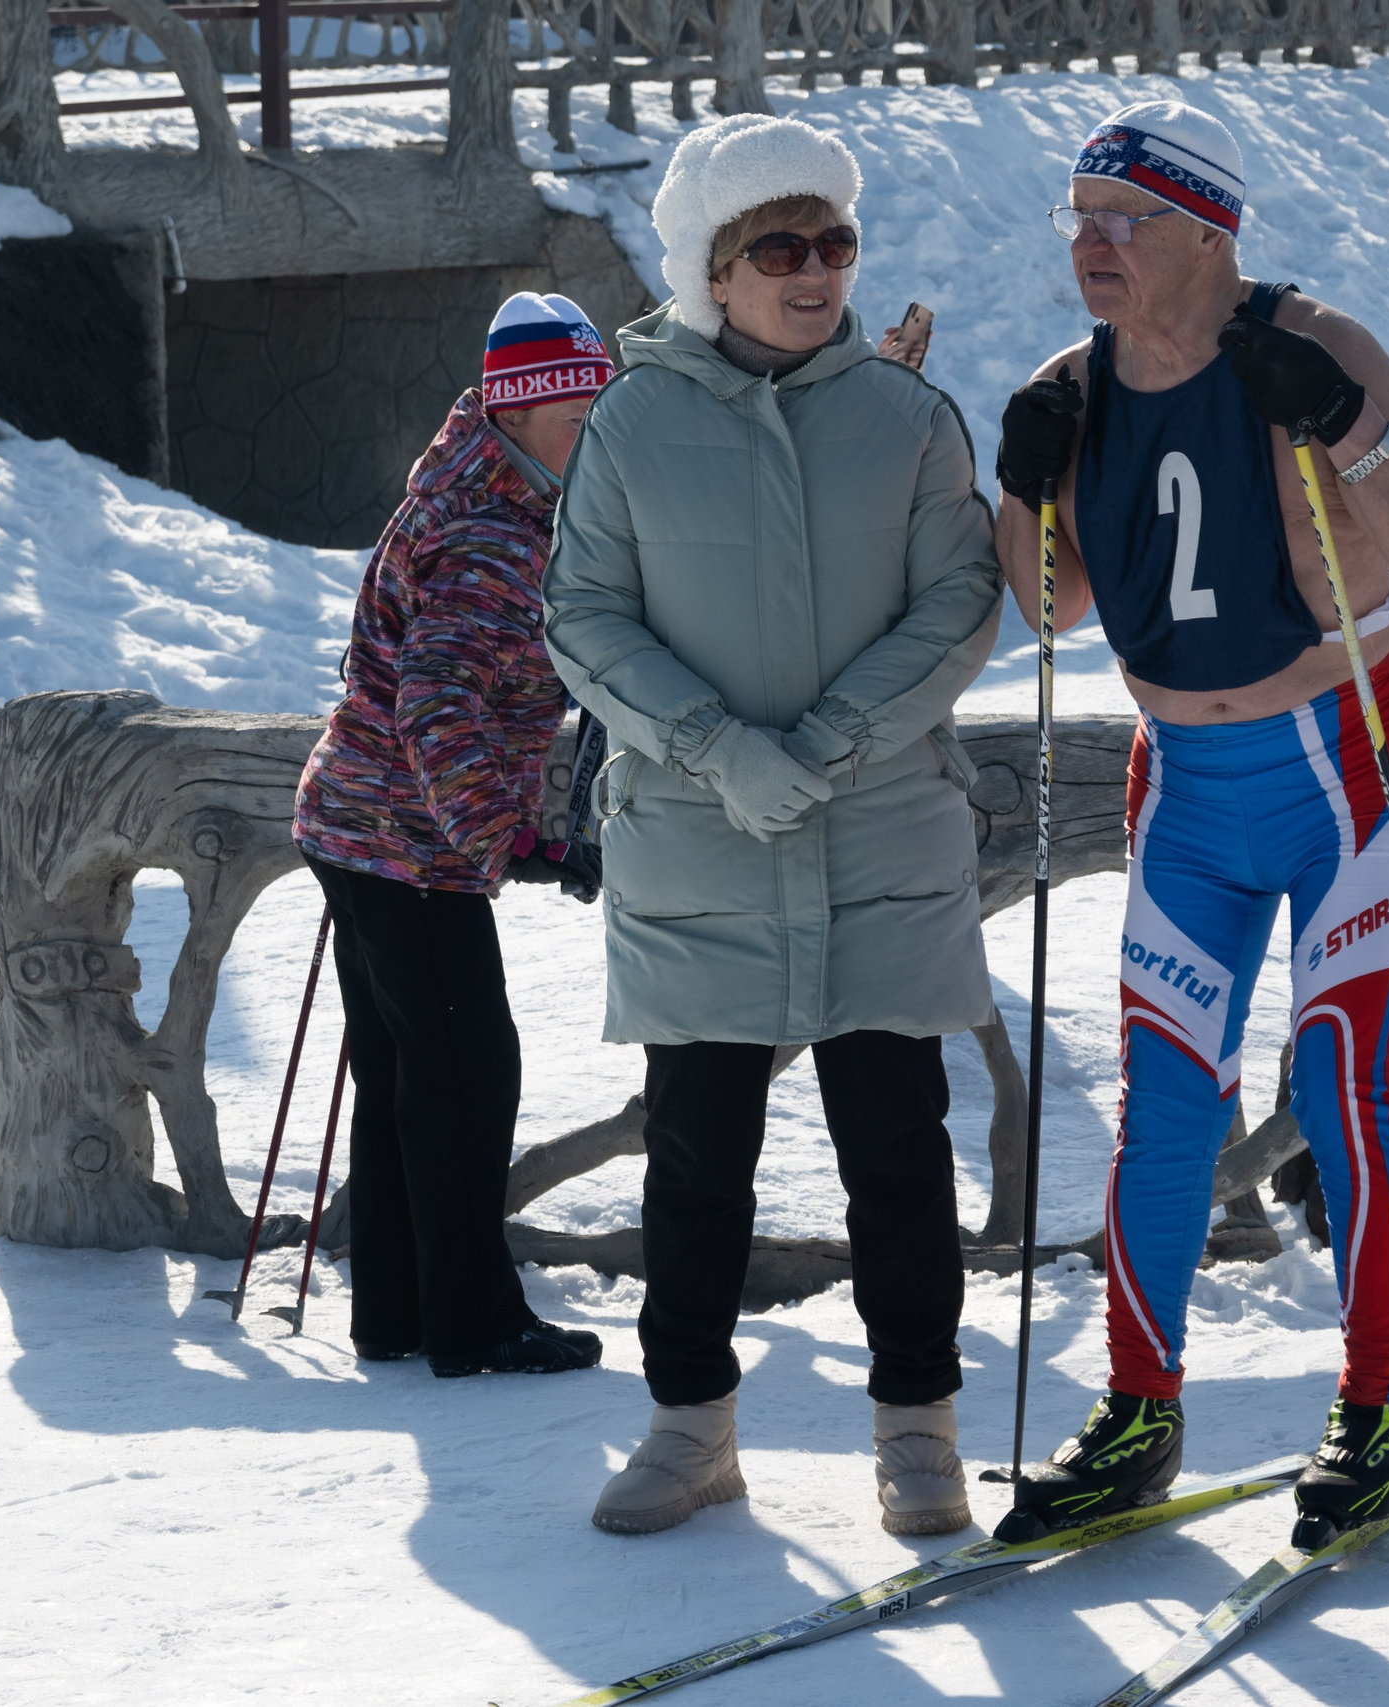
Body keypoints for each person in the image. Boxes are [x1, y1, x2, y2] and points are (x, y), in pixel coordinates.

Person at [988, 102, 1389, 1546]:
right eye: (1074, 219)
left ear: (1207, 228)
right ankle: (1138, 1409)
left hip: (1354, 764)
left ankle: (1377, 1401)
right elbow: (1050, 602)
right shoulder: (1070, 383)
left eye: (1118, 221)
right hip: (1190, 791)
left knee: (1340, 1079)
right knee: (1164, 1109)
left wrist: (1354, 427)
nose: (1087, 247)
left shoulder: (1313, 346)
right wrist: (1023, 486)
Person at [543, 114, 1003, 1538]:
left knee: (900, 1151)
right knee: (695, 1159)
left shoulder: (911, 417)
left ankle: (917, 1425)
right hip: (699, 833)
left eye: (835, 242)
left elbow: (960, 602)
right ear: (714, 270)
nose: (817, 272)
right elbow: (583, 612)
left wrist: (826, 742)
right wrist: (715, 748)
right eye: (780, 248)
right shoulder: (631, 419)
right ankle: (690, 1427)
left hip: (878, 833)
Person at [290, 292, 613, 1380]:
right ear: (517, 412)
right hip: (404, 844)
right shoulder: (485, 531)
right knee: (468, 1076)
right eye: (573, 411)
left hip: (366, 832)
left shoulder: (490, 486)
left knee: (403, 1078)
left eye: (599, 403)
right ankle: (474, 1322)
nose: (591, 427)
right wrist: (510, 840)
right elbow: (438, 706)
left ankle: (395, 1312)